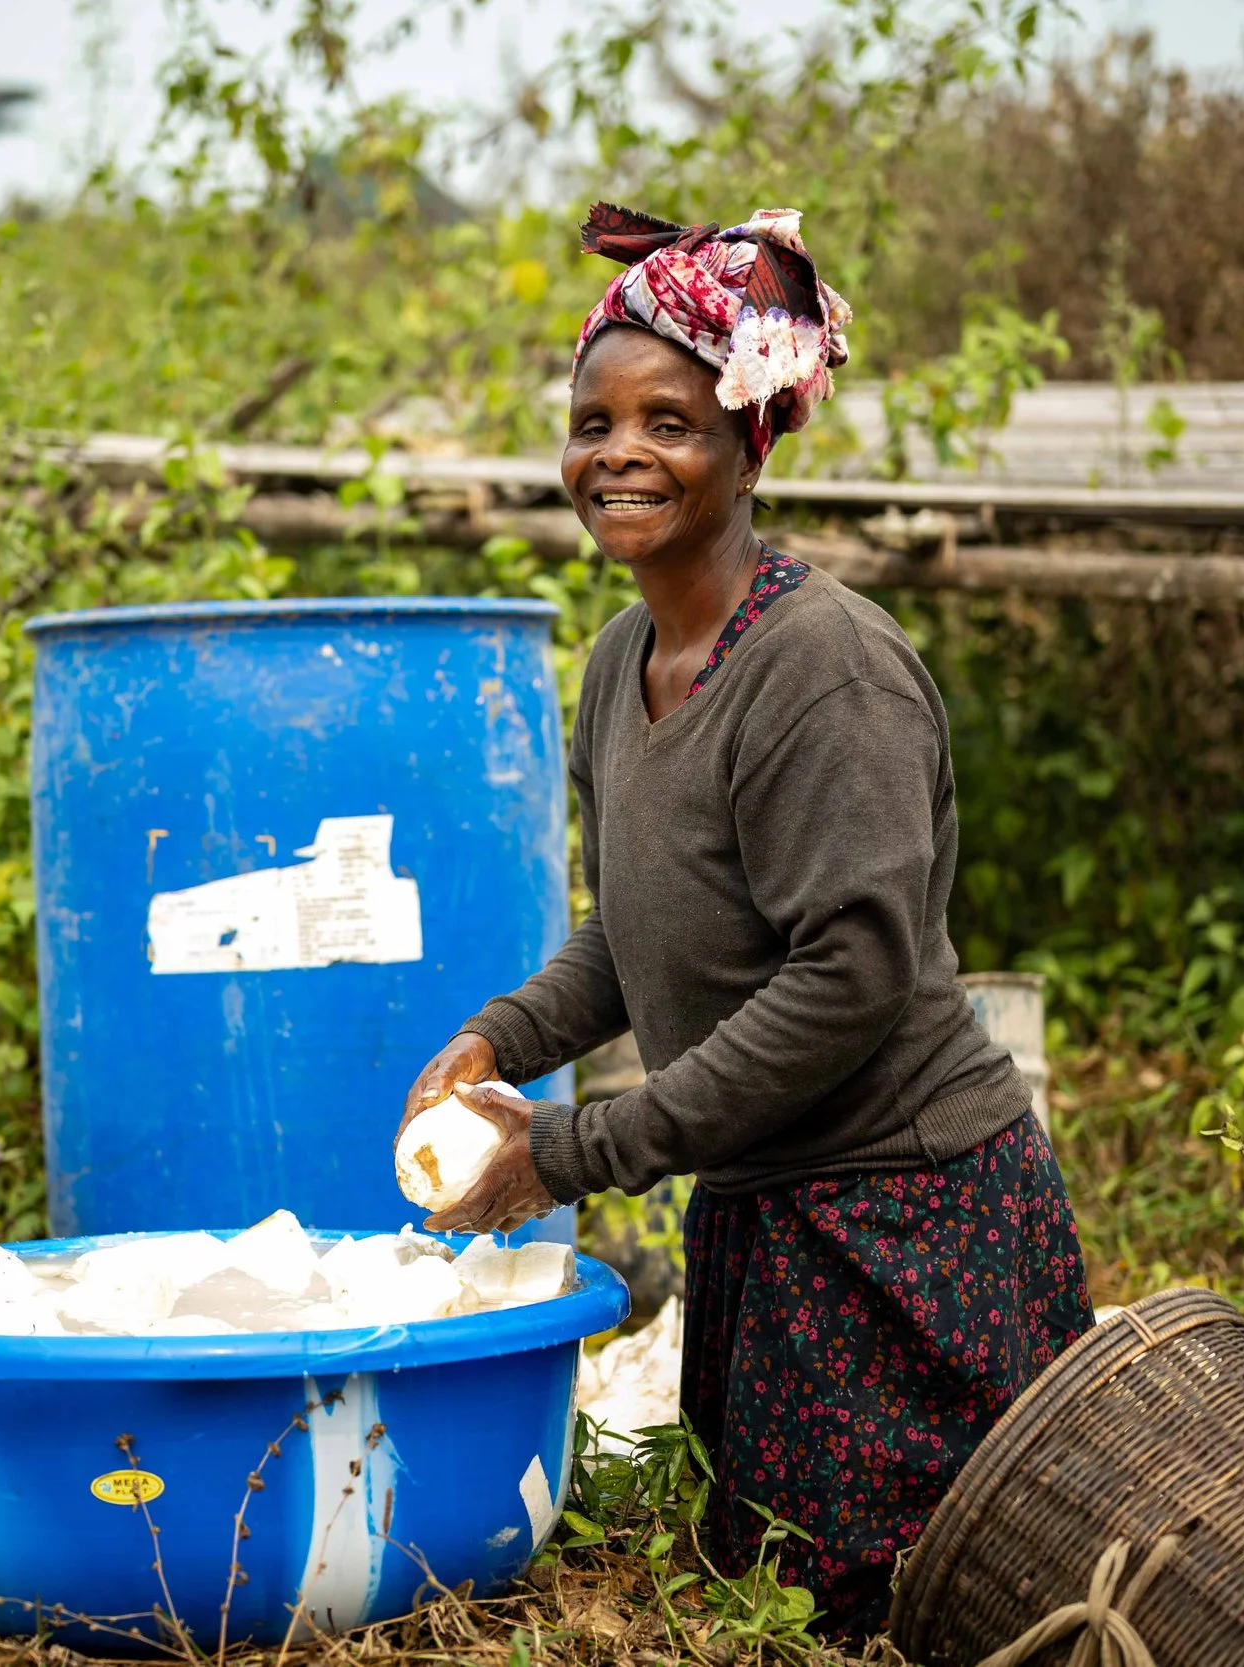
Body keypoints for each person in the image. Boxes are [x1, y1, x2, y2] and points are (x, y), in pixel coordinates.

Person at [398, 203, 1094, 1637]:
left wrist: (580, 1149)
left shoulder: (826, 675)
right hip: (766, 1218)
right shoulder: (619, 664)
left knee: (946, 1604)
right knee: (780, 1596)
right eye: (594, 421)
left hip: (906, 1215)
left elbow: (848, 977)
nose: (620, 453)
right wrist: (498, 1035)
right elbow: (638, 929)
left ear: (749, 441)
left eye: (671, 419)